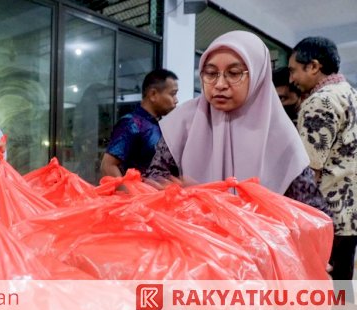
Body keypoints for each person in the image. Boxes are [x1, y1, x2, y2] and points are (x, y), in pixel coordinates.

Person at [144, 31, 328, 213]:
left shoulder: (282, 138)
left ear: (258, 76)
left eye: (233, 73)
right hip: (190, 237)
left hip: (257, 240)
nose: (220, 84)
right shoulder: (183, 122)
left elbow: (313, 215)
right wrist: (178, 194)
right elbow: (153, 182)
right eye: (210, 73)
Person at [289, 36, 357, 294]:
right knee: (341, 286)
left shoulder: (320, 102)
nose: (292, 79)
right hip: (350, 215)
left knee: (318, 290)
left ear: (314, 66)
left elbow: (308, 171)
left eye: (295, 70)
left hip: (326, 216)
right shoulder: (351, 95)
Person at [100, 69, 179, 178]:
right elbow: (108, 166)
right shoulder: (131, 123)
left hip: (160, 194)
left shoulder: (159, 125)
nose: (176, 100)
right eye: (173, 94)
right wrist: (132, 193)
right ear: (153, 94)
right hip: (140, 194)